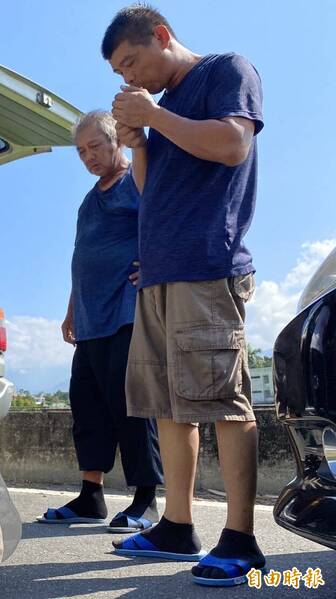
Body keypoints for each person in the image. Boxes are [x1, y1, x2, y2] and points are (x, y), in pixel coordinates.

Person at [102, 4, 265, 587]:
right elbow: (150, 192)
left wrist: (153, 116)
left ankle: (242, 539)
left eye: (132, 61)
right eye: (120, 71)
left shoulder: (226, 70)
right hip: (161, 274)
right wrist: (140, 142)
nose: (130, 77)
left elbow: (231, 145)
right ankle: (176, 525)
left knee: (224, 399)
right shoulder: (163, 109)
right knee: (169, 404)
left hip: (206, 266)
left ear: (161, 36)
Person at [39, 111, 163, 533]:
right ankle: (91, 496)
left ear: (117, 143)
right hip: (90, 319)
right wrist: (72, 310)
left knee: (130, 405)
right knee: (87, 406)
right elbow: (82, 256)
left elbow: (163, 222)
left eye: (95, 146)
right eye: (81, 151)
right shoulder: (89, 200)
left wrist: (156, 262)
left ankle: (146, 500)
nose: (88, 156)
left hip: (126, 312)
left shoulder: (136, 181)